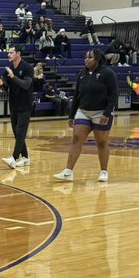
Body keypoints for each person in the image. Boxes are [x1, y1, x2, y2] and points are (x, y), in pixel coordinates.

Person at [54, 48, 118, 183]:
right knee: (76, 139)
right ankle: (68, 172)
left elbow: (114, 95)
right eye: (85, 57)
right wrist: (71, 115)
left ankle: (104, 171)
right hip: (83, 111)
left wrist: (107, 113)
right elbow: (76, 95)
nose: (86, 60)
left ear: (97, 60)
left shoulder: (108, 73)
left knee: (101, 143)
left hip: (101, 112)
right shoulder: (82, 74)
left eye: (90, 57)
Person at [0, 45, 34, 169]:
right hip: (14, 105)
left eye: (11, 52)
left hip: (25, 106)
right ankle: (26, 158)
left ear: (18, 53)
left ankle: (14, 158)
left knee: (20, 133)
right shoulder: (9, 69)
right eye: (8, 53)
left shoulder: (27, 67)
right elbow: (6, 88)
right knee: (18, 135)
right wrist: (1, 84)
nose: (8, 55)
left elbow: (26, 85)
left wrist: (13, 76)